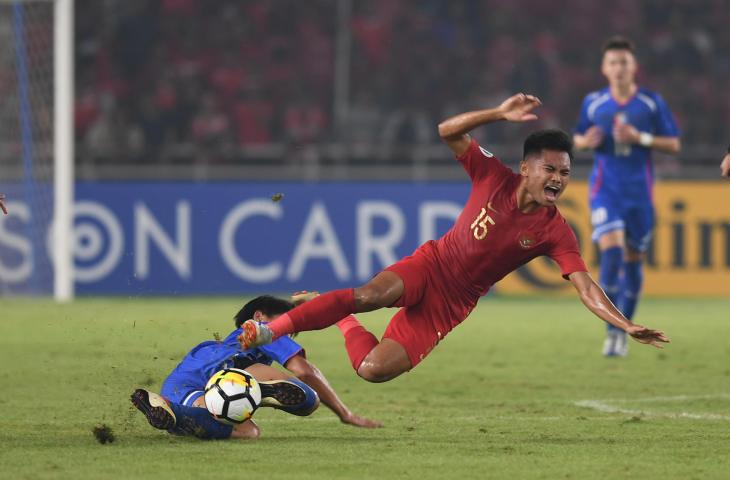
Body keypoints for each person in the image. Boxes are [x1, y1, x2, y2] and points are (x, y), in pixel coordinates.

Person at [239, 93, 670, 383]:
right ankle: (269, 332)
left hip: (453, 303)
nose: (558, 179)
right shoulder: (491, 174)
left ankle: (344, 321)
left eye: (565, 173)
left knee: (372, 370)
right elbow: (448, 130)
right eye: (550, 170)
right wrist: (498, 114)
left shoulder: (555, 230)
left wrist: (625, 322)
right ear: (526, 168)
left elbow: (585, 286)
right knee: (370, 294)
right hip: (431, 264)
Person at [131, 294, 381, 440]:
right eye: (285, 324)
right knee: (308, 399)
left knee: (248, 431)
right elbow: (305, 371)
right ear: (259, 317)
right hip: (219, 379)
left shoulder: (229, 341)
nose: (286, 333)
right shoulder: (261, 332)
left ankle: (171, 412)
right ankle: (261, 391)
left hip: (180, 384)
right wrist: (345, 414)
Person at [572, 36, 680, 357]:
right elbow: (577, 138)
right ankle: (613, 331)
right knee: (612, 253)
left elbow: (673, 144)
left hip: (640, 195)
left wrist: (639, 137)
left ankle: (627, 326)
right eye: (613, 62)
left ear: (634, 67)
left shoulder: (650, 102)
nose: (619, 67)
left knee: (633, 261)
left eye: (624, 62)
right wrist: (585, 142)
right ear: (604, 69)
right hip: (606, 190)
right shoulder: (593, 102)